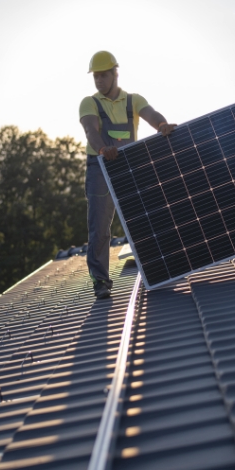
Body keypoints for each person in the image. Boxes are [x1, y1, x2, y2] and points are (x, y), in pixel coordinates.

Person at [79, 50, 176, 299]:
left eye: (104, 75)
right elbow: (91, 130)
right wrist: (103, 149)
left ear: (115, 73)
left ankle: (160, 267)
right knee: (100, 227)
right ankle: (100, 281)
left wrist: (162, 125)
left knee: (143, 219)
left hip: (128, 166)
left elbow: (152, 115)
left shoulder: (133, 101)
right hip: (100, 167)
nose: (99, 80)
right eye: (96, 76)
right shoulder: (89, 103)